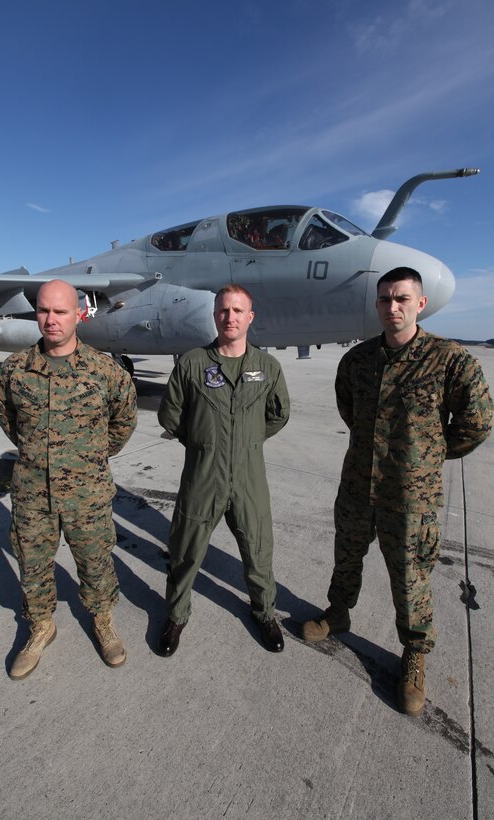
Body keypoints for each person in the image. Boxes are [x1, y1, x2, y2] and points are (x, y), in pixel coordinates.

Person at [301, 267, 493, 716]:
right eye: (385, 299)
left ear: (420, 304)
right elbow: (349, 407)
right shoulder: (358, 360)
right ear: (377, 305)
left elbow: (478, 423)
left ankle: (414, 653)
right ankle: (338, 612)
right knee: (346, 555)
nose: (393, 307)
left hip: (411, 497)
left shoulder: (450, 360)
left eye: (402, 299)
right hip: (357, 486)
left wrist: (427, 456)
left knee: (410, 577)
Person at [0, 280, 137, 679]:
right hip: (32, 492)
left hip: (87, 491)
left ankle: (102, 620)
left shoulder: (105, 370)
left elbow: (123, 421)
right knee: (33, 564)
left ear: (78, 314)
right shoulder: (13, 371)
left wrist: (89, 457)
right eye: (43, 311)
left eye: (60, 312)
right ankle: (41, 625)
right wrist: (40, 455)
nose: (51, 320)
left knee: (95, 561)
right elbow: (9, 421)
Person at [157, 284, 290, 656]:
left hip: (249, 476)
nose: (229, 317)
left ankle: (264, 612)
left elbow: (279, 413)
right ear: (214, 315)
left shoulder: (267, 367)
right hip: (203, 475)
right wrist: (203, 443)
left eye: (237, 311)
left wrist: (247, 442)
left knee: (258, 548)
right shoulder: (193, 363)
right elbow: (170, 414)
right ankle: (176, 615)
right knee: (185, 550)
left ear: (250, 317)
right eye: (223, 310)